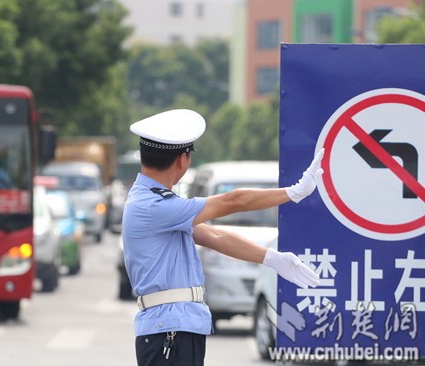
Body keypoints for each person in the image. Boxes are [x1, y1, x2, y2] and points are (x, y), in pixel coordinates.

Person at [122, 109, 323, 366]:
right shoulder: (154, 206)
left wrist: (272, 259)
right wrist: (293, 192)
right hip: (168, 331)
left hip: (174, 327)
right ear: (183, 160)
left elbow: (215, 235)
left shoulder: (153, 203)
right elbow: (233, 201)